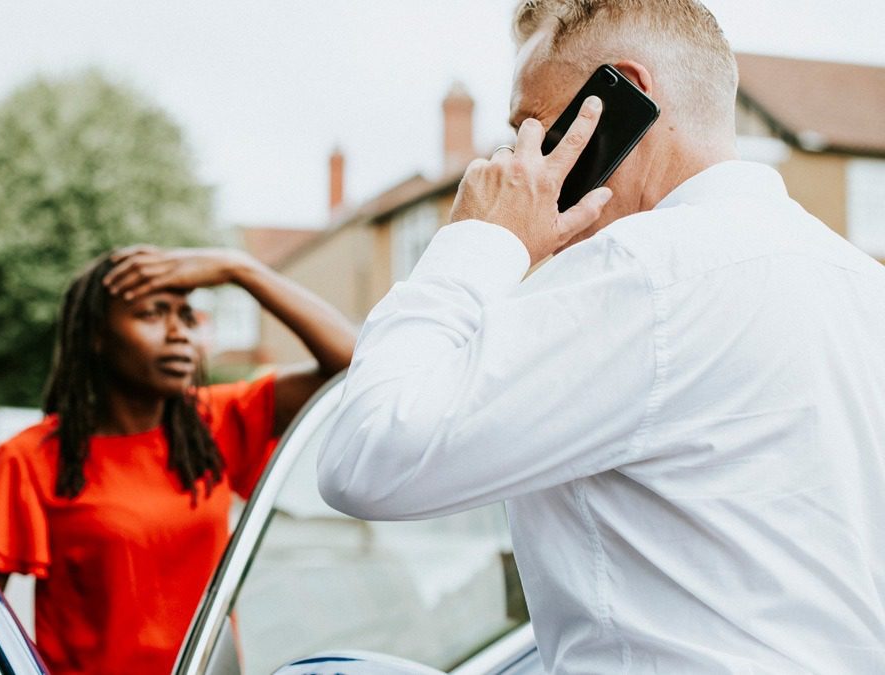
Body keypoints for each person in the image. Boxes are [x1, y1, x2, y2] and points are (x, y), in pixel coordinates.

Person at [317, 1, 885, 672]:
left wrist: (476, 240)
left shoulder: (638, 271)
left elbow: (366, 456)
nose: (518, 161)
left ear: (622, 100)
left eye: (532, 127)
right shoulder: (860, 282)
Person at [0, 245, 355, 674]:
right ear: (95, 336)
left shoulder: (214, 424)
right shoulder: (30, 458)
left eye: (187, 317)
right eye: (152, 314)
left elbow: (358, 365)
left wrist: (239, 269)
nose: (179, 333)